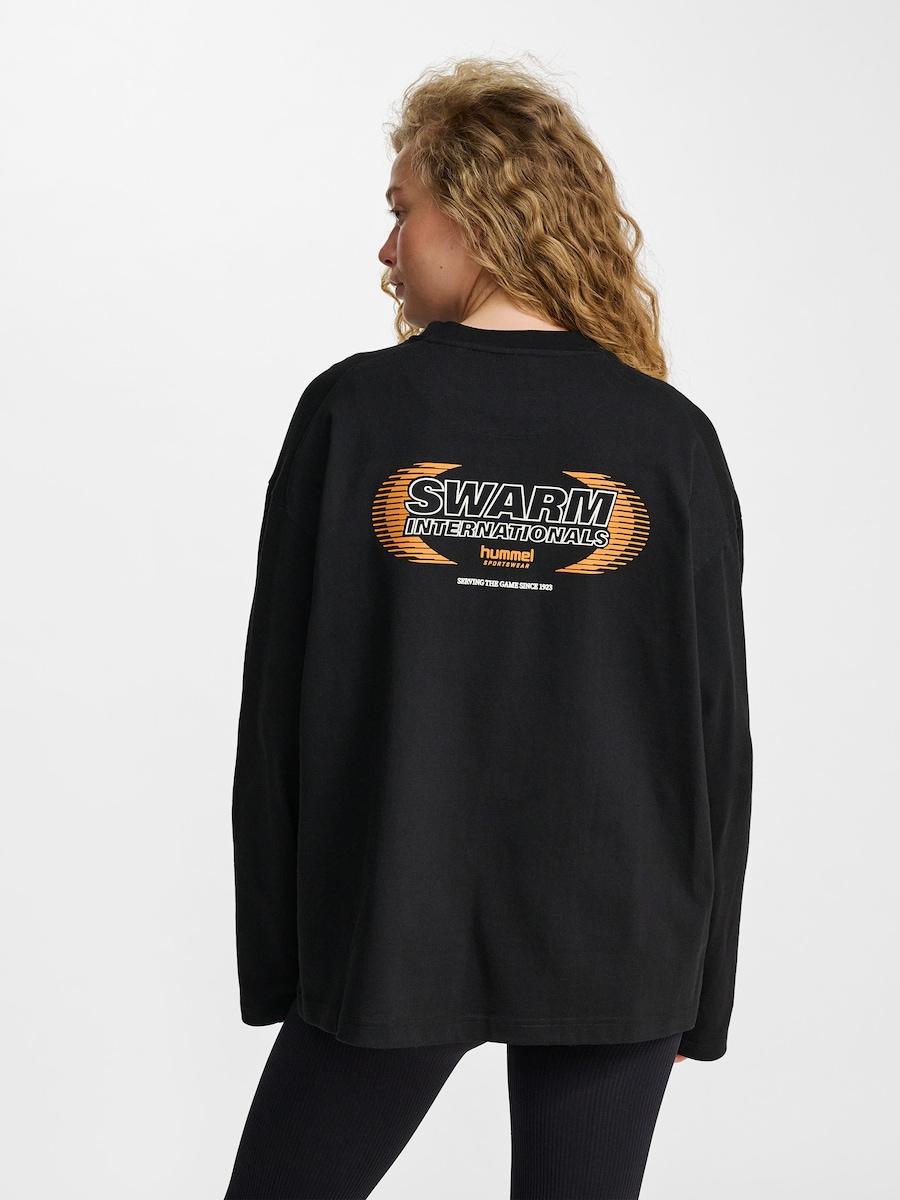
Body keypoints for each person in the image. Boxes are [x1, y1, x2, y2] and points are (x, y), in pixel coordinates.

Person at [224, 56, 753, 1200]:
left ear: (473, 210)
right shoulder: (669, 439)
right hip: (622, 941)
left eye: (401, 211)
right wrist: (699, 992)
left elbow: (277, 711)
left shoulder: (353, 414)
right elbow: (718, 739)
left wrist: (282, 960)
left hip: (395, 924)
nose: (385, 249)